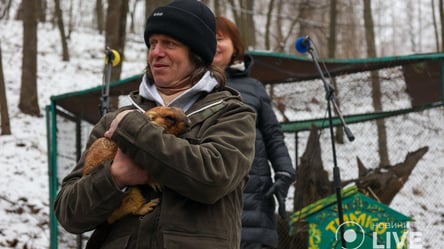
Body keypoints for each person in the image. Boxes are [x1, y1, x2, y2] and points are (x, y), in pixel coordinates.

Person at [54, 1, 256, 248]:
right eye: (152, 43)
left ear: (197, 53)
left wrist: (133, 130)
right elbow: (68, 214)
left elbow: (213, 178)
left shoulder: (231, 114)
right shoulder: (114, 120)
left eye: (170, 43)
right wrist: (115, 177)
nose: (156, 52)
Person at [213, 16, 296, 249]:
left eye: (219, 38)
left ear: (235, 46)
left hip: (255, 191)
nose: (214, 45)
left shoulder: (254, 87)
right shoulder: (188, 86)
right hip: (210, 191)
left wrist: (284, 171)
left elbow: (273, 134)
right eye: (207, 39)